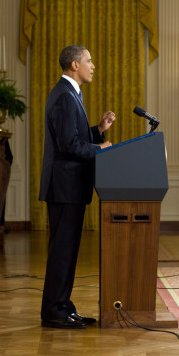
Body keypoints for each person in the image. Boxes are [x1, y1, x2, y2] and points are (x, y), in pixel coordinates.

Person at [39, 45, 115, 328]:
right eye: (88, 61)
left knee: (67, 252)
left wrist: (98, 129)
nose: (93, 65)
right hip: (64, 188)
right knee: (62, 252)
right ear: (74, 65)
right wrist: (100, 148)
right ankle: (54, 312)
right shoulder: (63, 96)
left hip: (69, 187)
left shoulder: (70, 94)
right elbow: (68, 145)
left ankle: (63, 306)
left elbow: (73, 136)